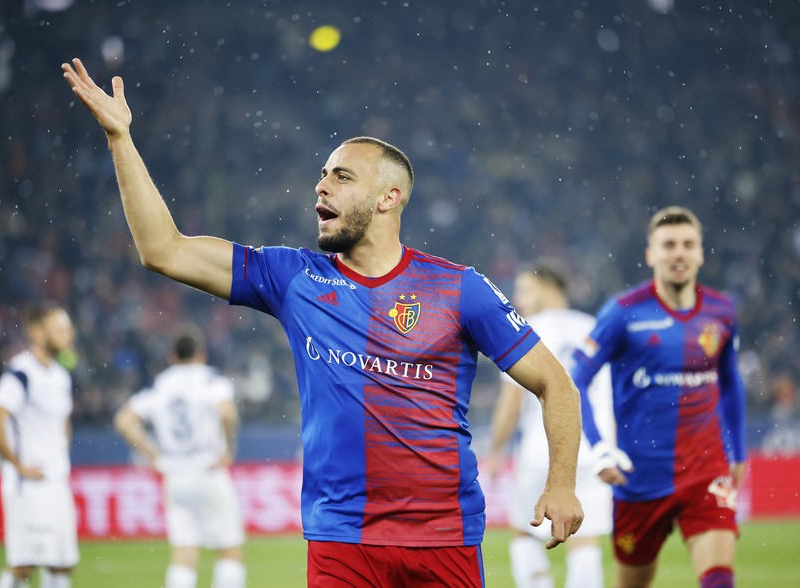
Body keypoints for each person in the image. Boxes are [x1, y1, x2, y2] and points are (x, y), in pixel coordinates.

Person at [62, 57, 584, 587]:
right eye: (321, 174)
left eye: (341, 176)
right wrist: (119, 140)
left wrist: (561, 482)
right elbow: (164, 250)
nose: (321, 186)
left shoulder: (458, 288)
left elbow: (554, 383)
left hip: (443, 538)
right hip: (341, 540)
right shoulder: (294, 278)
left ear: (388, 198)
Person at [571, 206, 747, 588]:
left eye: (687, 244)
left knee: (720, 581)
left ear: (701, 253)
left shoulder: (722, 310)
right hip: (638, 476)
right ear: (651, 254)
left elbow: (731, 382)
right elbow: (575, 379)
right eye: (668, 245)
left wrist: (739, 451)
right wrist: (599, 447)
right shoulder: (623, 312)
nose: (678, 253)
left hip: (706, 470)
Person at [485, 259, 613, 588]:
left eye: (526, 288)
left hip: (544, 451)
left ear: (550, 289)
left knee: (523, 531)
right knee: (585, 540)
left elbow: (511, 404)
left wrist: (496, 450)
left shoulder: (526, 328)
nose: (519, 297)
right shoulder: (593, 326)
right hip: (593, 451)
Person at [114, 324, 246, 588]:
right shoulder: (211, 379)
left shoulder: (160, 384)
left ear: (172, 356)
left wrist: (154, 454)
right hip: (207, 470)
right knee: (228, 551)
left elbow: (124, 421)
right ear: (201, 354)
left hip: (176, 477)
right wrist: (228, 448)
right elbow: (228, 414)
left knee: (184, 554)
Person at [0, 304, 79, 588]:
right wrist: (17, 465)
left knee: (62, 566)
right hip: (30, 486)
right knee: (23, 566)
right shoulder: (22, 373)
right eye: (60, 329)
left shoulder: (61, 376)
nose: (68, 335)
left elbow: (64, 423)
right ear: (37, 333)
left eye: (68, 328)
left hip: (56, 483)